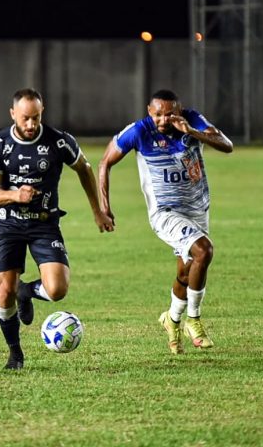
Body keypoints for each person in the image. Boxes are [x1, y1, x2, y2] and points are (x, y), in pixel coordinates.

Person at [0, 88, 113, 370]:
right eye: (26, 118)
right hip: (9, 225)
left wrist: (97, 211)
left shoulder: (59, 141)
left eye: (37, 118)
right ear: (13, 114)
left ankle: (27, 291)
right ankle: (15, 354)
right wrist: (16, 195)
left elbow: (85, 169)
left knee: (57, 290)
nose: (31, 125)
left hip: (44, 224)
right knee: (4, 292)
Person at [98, 89, 233, 355]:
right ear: (150, 111)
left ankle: (171, 320)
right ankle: (193, 320)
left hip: (197, 207)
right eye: (158, 114)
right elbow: (104, 163)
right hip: (165, 212)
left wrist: (192, 132)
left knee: (186, 270)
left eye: (169, 114)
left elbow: (227, 145)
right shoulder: (139, 131)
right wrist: (104, 207)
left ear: (179, 112)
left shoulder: (193, 120)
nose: (163, 119)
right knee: (203, 250)